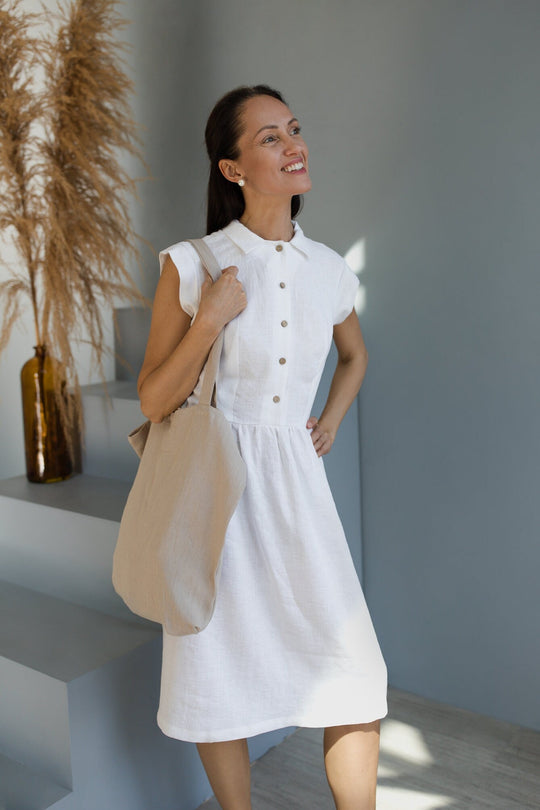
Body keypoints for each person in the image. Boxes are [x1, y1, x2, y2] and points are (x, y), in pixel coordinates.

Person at [137, 84, 388, 810]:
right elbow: (154, 399)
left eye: (294, 129)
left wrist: (329, 419)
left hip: (297, 488)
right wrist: (209, 319)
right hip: (214, 487)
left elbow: (355, 357)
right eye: (270, 137)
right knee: (215, 671)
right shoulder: (193, 264)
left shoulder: (330, 268)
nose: (293, 145)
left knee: (355, 676)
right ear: (232, 168)